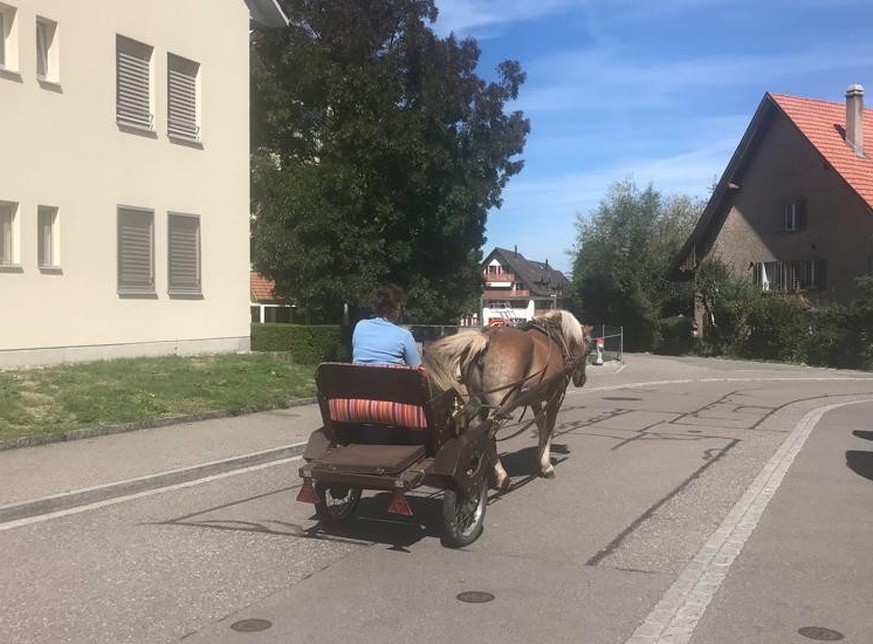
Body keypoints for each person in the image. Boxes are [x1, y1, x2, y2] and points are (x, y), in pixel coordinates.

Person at [352, 284, 422, 366]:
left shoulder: (360, 326)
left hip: (358, 378)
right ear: (395, 308)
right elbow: (418, 369)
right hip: (390, 378)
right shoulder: (404, 336)